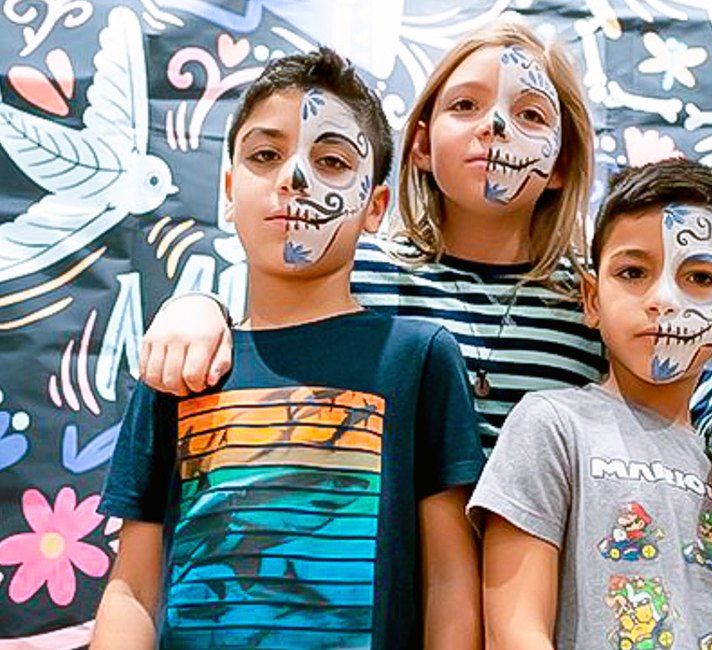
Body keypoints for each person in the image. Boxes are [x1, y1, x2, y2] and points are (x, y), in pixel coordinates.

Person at [136, 18, 712, 566]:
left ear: (561, 164)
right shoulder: (365, 271)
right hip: (393, 591)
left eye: (527, 115)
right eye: (467, 106)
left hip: (554, 593)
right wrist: (195, 307)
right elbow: (271, 326)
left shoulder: (592, 297)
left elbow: (698, 387)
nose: (495, 128)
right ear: (422, 146)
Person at [91, 48, 486, 650]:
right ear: (228, 191)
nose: (293, 179)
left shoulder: (417, 357)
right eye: (265, 155)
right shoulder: (178, 366)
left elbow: (450, 580)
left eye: (330, 160)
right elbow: (135, 586)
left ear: (375, 207)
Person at [469, 159, 712, 650]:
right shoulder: (551, 426)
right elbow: (514, 630)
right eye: (633, 272)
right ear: (592, 298)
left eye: (700, 278)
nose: (663, 299)